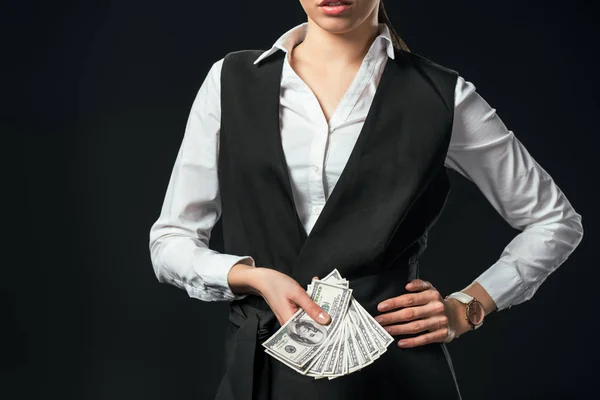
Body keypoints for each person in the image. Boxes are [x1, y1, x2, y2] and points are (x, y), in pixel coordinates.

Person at [149, 1, 584, 399]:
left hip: (393, 374)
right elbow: (170, 241)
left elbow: (555, 221)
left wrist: (467, 306)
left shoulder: (441, 96)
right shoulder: (229, 80)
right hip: (261, 369)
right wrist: (254, 276)